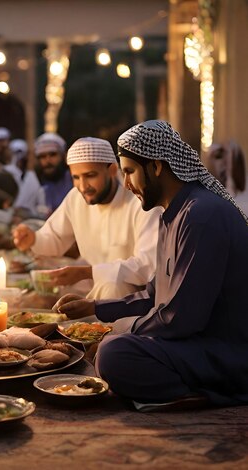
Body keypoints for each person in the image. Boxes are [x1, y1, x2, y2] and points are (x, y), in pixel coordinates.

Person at [55, 120, 248, 407]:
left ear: (156, 166)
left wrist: (119, 328)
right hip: (193, 342)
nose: (127, 184)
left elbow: (181, 318)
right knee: (112, 348)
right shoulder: (173, 214)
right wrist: (95, 309)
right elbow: (154, 295)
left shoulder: (201, 215)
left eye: (130, 172)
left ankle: (205, 394)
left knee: (114, 353)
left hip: (224, 351)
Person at [13, 137, 160, 299]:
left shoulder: (141, 203)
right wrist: (32, 239)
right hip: (93, 286)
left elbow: (147, 266)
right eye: (76, 178)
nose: (83, 186)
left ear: (111, 170)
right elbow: (55, 238)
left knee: (113, 285)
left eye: (90, 175)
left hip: (134, 297)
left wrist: (88, 273)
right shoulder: (76, 198)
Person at [14, 132, 72, 219]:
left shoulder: (73, 177)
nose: (47, 161)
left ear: (63, 156)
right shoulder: (34, 178)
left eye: (53, 154)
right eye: (42, 156)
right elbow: (20, 210)